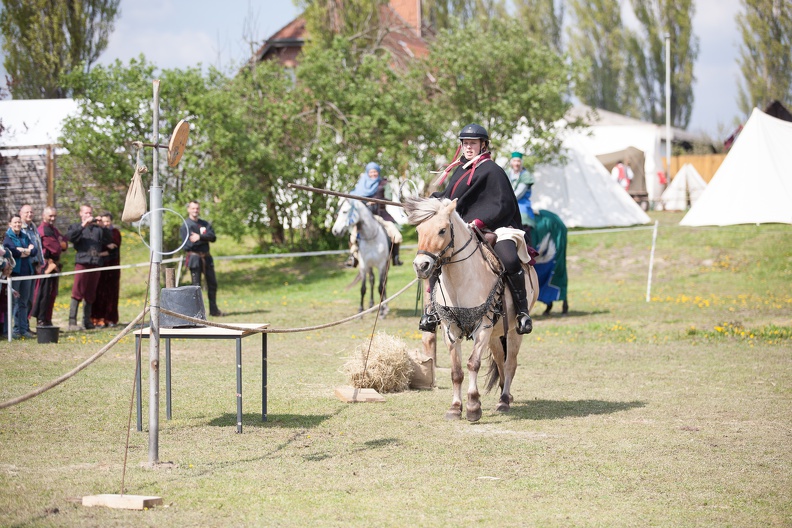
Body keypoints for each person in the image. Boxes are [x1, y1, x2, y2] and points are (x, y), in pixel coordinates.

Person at [420, 123, 533, 335]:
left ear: (483, 145)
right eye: (465, 143)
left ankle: (522, 313)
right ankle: (432, 311)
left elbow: (504, 205)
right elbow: (449, 196)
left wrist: (480, 222)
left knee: (509, 259)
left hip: (496, 227)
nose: (468, 147)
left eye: (472, 143)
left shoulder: (493, 170)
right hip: (463, 230)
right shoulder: (461, 170)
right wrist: (426, 202)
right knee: (436, 255)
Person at [346, 162, 403, 267]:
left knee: (396, 235)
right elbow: (354, 196)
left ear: (378, 172)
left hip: (381, 215)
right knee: (352, 235)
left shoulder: (384, 183)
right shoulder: (361, 184)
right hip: (364, 217)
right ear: (367, 173)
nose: (373, 174)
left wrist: (376, 201)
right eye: (371, 172)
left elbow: (389, 198)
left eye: (375, 171)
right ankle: (353, 257)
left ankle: (395, 258)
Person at [67, 204, 113, 331]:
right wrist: (83, 225)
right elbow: (70, 237)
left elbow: (110, 240)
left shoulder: (97, 229)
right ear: (81, 214)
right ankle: (72, 322)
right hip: (82, 262)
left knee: (90, 293)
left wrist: (102, 226)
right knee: (77, 291)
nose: (89, 215)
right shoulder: (76, 227)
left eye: (90, 213)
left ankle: (87, 321)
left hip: (95, 263)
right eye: (86, 213)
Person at [180, 201, 223, 317]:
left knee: (212, 284)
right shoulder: (186, 225)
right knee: (196, 287)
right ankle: (197, 314)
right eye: (193, 208)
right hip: (194, 258)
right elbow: (187, 245)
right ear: (189, 209)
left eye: (197, 208)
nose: (195, 210)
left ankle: (214, 310)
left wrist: (199, 237)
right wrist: (204, 239)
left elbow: (213, 237)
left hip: (207, 257)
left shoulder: (204, 223)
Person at [31, 206, 67, 327]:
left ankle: (48, 320)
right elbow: (56, 248)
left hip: (54, 265)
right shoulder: (43, 230)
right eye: (50, 216)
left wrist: (61, 242)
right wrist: (60, 243)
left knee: (52, 294)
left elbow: (65, 243)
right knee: (43, 294)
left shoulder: (53, 229)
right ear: (43, 216)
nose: (52, 218)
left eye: (54, 216)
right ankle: (41, 321)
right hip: (46, 266)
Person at [3, 214, 38, 338]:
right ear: (10, 224)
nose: (17, 224)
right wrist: (26, 250)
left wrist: (24, 250)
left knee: (24, 302)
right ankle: (8, 331)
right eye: (15, 222)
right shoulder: (8, 238)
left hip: (27, 273)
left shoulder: (25, 236)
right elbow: (13, 252)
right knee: (12, 303)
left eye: (19, 222)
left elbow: (35, 251)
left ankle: (22, 329)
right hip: (15, 273)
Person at [91, 212, 122, 327]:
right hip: (100, 266)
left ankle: (110, 318)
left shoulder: (115, 233)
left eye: (108, 221)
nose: (106, 223)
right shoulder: (98, 232)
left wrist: (102, 252)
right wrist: (103, 250)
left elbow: (114, 248)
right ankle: (97, 318)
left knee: (111, 294)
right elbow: (97, 246)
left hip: (112, 267)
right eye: (103, 221)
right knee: (98, 293)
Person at [19, 204, 44, 318]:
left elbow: (37, 246)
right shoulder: (19, 228)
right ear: (21, 214)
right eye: (26, 212)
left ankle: (26, 325)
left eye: (31, 212)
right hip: (24, 266)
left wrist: (39, 263)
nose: (29, 214)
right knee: (23, 298)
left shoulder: (33, 227)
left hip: (34, 265)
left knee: (30, 298)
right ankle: (19, 327)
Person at [506, 151, 536, 239]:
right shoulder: (506, 173)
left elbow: (519, 193)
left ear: (521, 162)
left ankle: (528, 245)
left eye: (518, 161)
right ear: (511, 162)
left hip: (521, 203)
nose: (516, 163)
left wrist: (505, 200)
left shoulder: (525, 175)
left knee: (523, 218)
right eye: (514, 161)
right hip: (506, 202)